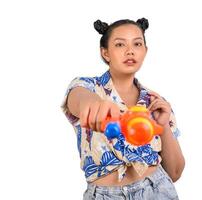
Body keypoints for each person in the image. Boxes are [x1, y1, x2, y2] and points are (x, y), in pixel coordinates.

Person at [61, 17, 185, 200]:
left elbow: (174, 173)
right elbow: (79, 99)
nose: (130, 51)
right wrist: (94, 104)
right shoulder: (87, 87)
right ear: (105, 53)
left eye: (137, 44)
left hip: (157, 190)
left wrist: (164, 125)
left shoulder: (156, 102)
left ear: (145, 50)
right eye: (120, 45)